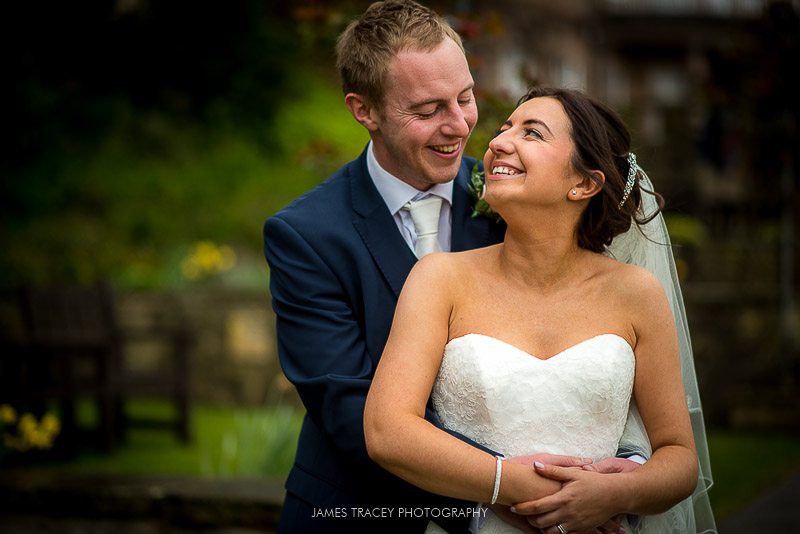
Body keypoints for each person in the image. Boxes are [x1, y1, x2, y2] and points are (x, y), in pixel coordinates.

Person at [364, 86, 716, 533]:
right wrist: (509, 484)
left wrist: (617, 494)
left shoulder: (637, 294)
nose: (496, 143)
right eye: (504, 128)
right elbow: (387, 431)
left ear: (584, 183)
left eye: (532, 133)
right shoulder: (440, 279)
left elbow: (680, 457)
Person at [263, 2, 508, 532]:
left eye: (465, 98)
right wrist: (498, 499)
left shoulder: (511, 203)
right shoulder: (305, 235)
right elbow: (349, 409)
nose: (460, 124)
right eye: (427, 110)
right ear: (364, 110)